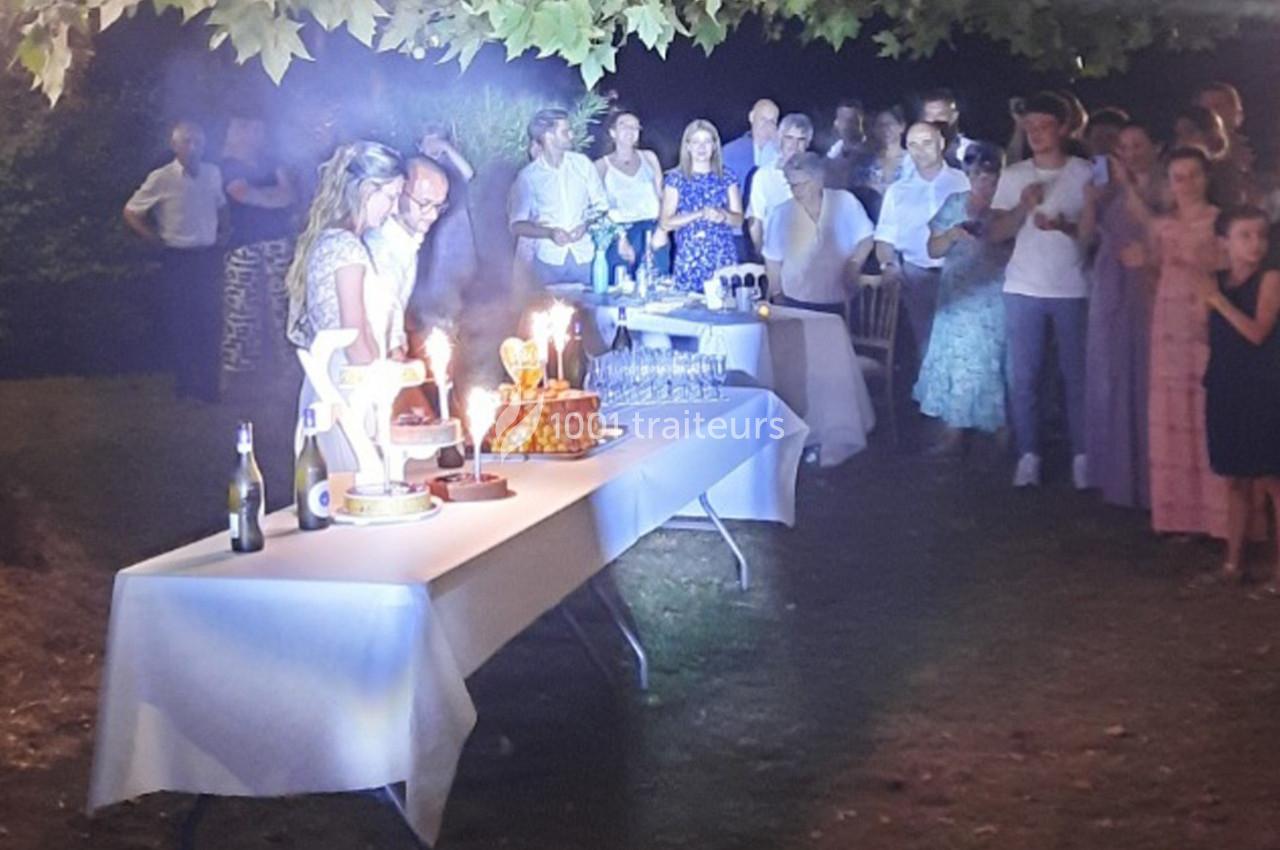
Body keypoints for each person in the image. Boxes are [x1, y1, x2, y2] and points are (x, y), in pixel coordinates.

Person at [986, 92, 1094, 489]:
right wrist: (1022, 208)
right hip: (1023, 286)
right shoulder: (1014, 175)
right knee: (1025, 375)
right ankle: (1029, 454)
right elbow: (994, 233)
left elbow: (1094, 236)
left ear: (1063, 128)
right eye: (1028, 127)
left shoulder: (1086, 172)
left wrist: (1065, 225)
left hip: (1072, 286)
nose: (1035, 133)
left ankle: (1083, 455)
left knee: (1076, 376)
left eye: (1044, 126)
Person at [285, 141, 406, 471]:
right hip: (349, 386)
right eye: (391, 197)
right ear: (367, 190)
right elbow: (355, 337)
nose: (394, 209)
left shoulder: (329, 240)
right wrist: (388, 389)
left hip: (331, 379)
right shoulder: (345, 248)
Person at [1146, 147, 1228, 538]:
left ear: (1206, 177)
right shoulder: (1163, 225)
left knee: (1206, 411)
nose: (1187, 184)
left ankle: (1221, 517)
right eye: (1179, 177)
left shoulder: (1219, 222)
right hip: (1167, 325)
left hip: (1204, 321)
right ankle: (1182, 516)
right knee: (1174, 413)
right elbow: (1153, 269)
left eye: (1194, 175)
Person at [1083, 122, 1164, 509]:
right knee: (1110, 373)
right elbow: (1088, 236)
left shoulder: (1162, 187)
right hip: (1109, 282)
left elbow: (1158, 229)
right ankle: (1114, 474)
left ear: (1154, 147)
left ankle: (1150, 481)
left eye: (1137, 144)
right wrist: (1091, 201)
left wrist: (1129, 187)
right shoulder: (1111, 188)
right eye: (1124, 146)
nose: (1129, 152)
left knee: (1144, 373)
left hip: (1144, 283)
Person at [912, 143, 1013, 448]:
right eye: (978, 177)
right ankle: (954, 429)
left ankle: (999, 428)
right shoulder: (954, 203)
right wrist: (953, 234)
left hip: (993, 294)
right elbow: (932, 249)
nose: (984, 184)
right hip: (957, 294)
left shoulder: (1007, 208)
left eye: (991, 179)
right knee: (959, 360)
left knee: (991, 360)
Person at [1201, 206, 1280, 587]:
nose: (1256, 244)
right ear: (1225, 243)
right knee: (1235, 479)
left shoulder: (1270, 279)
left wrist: (1217, 302)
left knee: (1270, 480)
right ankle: (1234, 562)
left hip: (1265, 387)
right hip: (1227, 385)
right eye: (1245, 236)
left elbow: (1257, 331)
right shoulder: (1217, 281)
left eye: (1261, 236)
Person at [123, 121, 227, 402]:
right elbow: (131, 211)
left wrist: (221, 233)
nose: (192, 147)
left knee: (210, 320)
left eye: (197, 142)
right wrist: (152, 238)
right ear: (175, 145)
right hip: (177, 256)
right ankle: (186, 386)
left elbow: (220, 205)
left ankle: (208, 387)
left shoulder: (212, 173)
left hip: (206, 256)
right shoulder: (162, 178)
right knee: (182, 322)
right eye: (186, 142)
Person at [874, 122, 970, 382]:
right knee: (926, 347)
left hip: (959, 277)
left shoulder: (964, 183)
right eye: (913, 145)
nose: (920, 150)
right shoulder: (897, 192)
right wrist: (888, 265)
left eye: (926, 142)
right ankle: (935, 414)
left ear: (941, 143)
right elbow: (884, 239)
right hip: (916, 279)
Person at [219, 114, 296, 382]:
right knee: (241, 311)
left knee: (282, 307)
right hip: (243, 247)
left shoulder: (272, 162)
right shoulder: (228, 166)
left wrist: (269, 197)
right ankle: (240, 375)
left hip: (278, 244)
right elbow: (245, 195)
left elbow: (288, 195)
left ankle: (289, 370)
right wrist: (271, 197)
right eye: (254, 129)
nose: (259, 135)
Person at [762, 152, 875, 315]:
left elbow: (866, 238)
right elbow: (772, 260)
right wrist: (777, 295)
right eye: (792, 185)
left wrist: (855, 263)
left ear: (818, 181)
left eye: (803, 184)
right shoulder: (781, 213)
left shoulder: (845, 202)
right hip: (795, 300)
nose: (797, 190)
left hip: (840, 299)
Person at [508, 108, 612, 286]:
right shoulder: (528, 177)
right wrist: (549, 233)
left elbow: (602, 206)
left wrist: (585, 225)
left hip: (584, 257)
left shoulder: (582, 165)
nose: (572, 135)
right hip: (549, 261)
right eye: (565, 132)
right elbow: (517, 225)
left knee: (589, 312)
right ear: (549, 136)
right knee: (550, 312)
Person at [363, 157, 450, 354]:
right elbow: (378, 327)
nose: (433, 215)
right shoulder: (381, 248)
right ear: (399, 192)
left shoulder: (407, 241)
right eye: (424, 203)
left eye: (439, 206)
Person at [660, 120, 743, 293]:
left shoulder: (727, 176)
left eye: (706, 141)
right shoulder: (676, 179)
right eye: (696, 142)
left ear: (714, 146)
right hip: (690, 259)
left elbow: (739, 219)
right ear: (688, 146)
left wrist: (723, 215)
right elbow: (666, 223)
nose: (701, 147)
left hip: (722, 258)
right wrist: (698, 214)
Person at [415, 121, 479, 326]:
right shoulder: (417, 166)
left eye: (438, 139)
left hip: (456, 226)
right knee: (434, 282)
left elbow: (469, 174)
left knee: (460, 276)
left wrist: (446, 148)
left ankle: (456, 324)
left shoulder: (450, 162)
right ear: (420, 143)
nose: (434, 145)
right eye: (430, 140)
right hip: (430, 231)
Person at [595, 110, 669, 277]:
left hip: (652, 230)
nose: (630, 130)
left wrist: (663, 229)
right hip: (619, 234)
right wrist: (620, 237)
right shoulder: (601, 166)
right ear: (612, 132)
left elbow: (662, 195)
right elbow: (598, 208)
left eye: (635, 127)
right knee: (620, 289)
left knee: (658, 287)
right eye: (624, 126)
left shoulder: (649, 157)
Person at [746, 113, 814, 256]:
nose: (794, 145)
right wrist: (760, 255)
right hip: (775, 255)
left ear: (808, 143)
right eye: (789, 138)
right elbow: (756, 220)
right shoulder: (763, 176)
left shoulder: (817, 175)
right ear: (780, 139)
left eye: (801, 140)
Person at [721, 98, 780, 200]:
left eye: (772, 121)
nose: (767, 125)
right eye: (763, 119)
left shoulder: (780, 155)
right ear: (751, 117)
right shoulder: (730, 152)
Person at [919, 88, 977, 166]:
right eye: (929, 115)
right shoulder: (914, 150)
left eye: (940, 115)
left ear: (954, 116)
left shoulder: (971, 150)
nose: (933, 121)